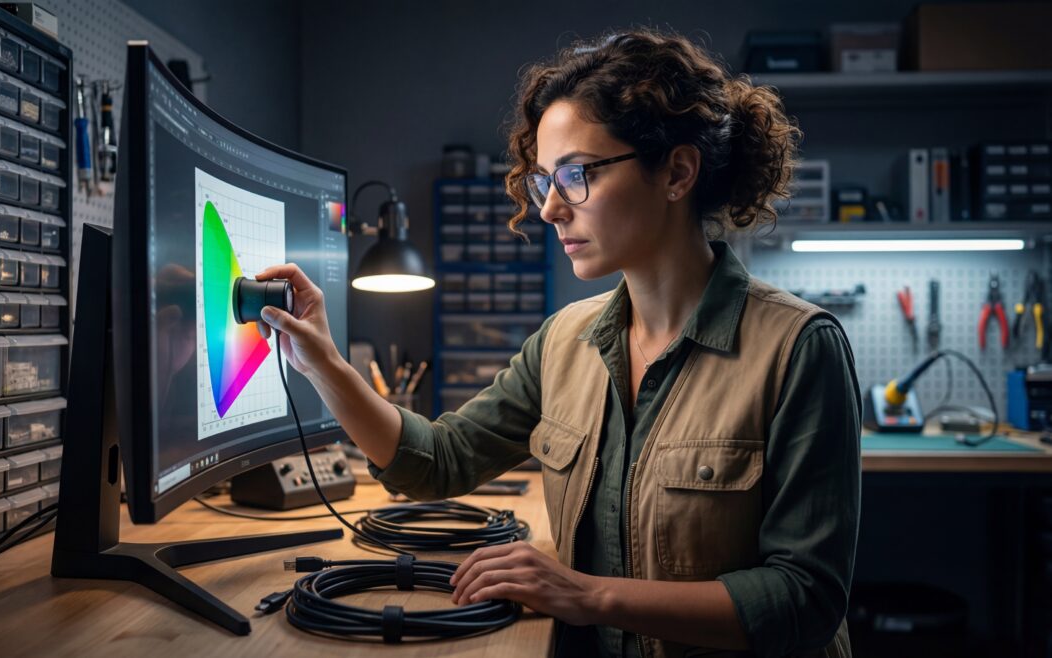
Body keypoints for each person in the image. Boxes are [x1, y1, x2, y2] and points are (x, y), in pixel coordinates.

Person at [256, 28, 860, 658]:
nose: (548, 210)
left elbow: (804, 601)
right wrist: (321, 360)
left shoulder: (798, 349)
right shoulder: (564, 341)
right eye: (545, 181)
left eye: (577, 175)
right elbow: (436, 461)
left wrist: (586, 594)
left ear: (677, 172)